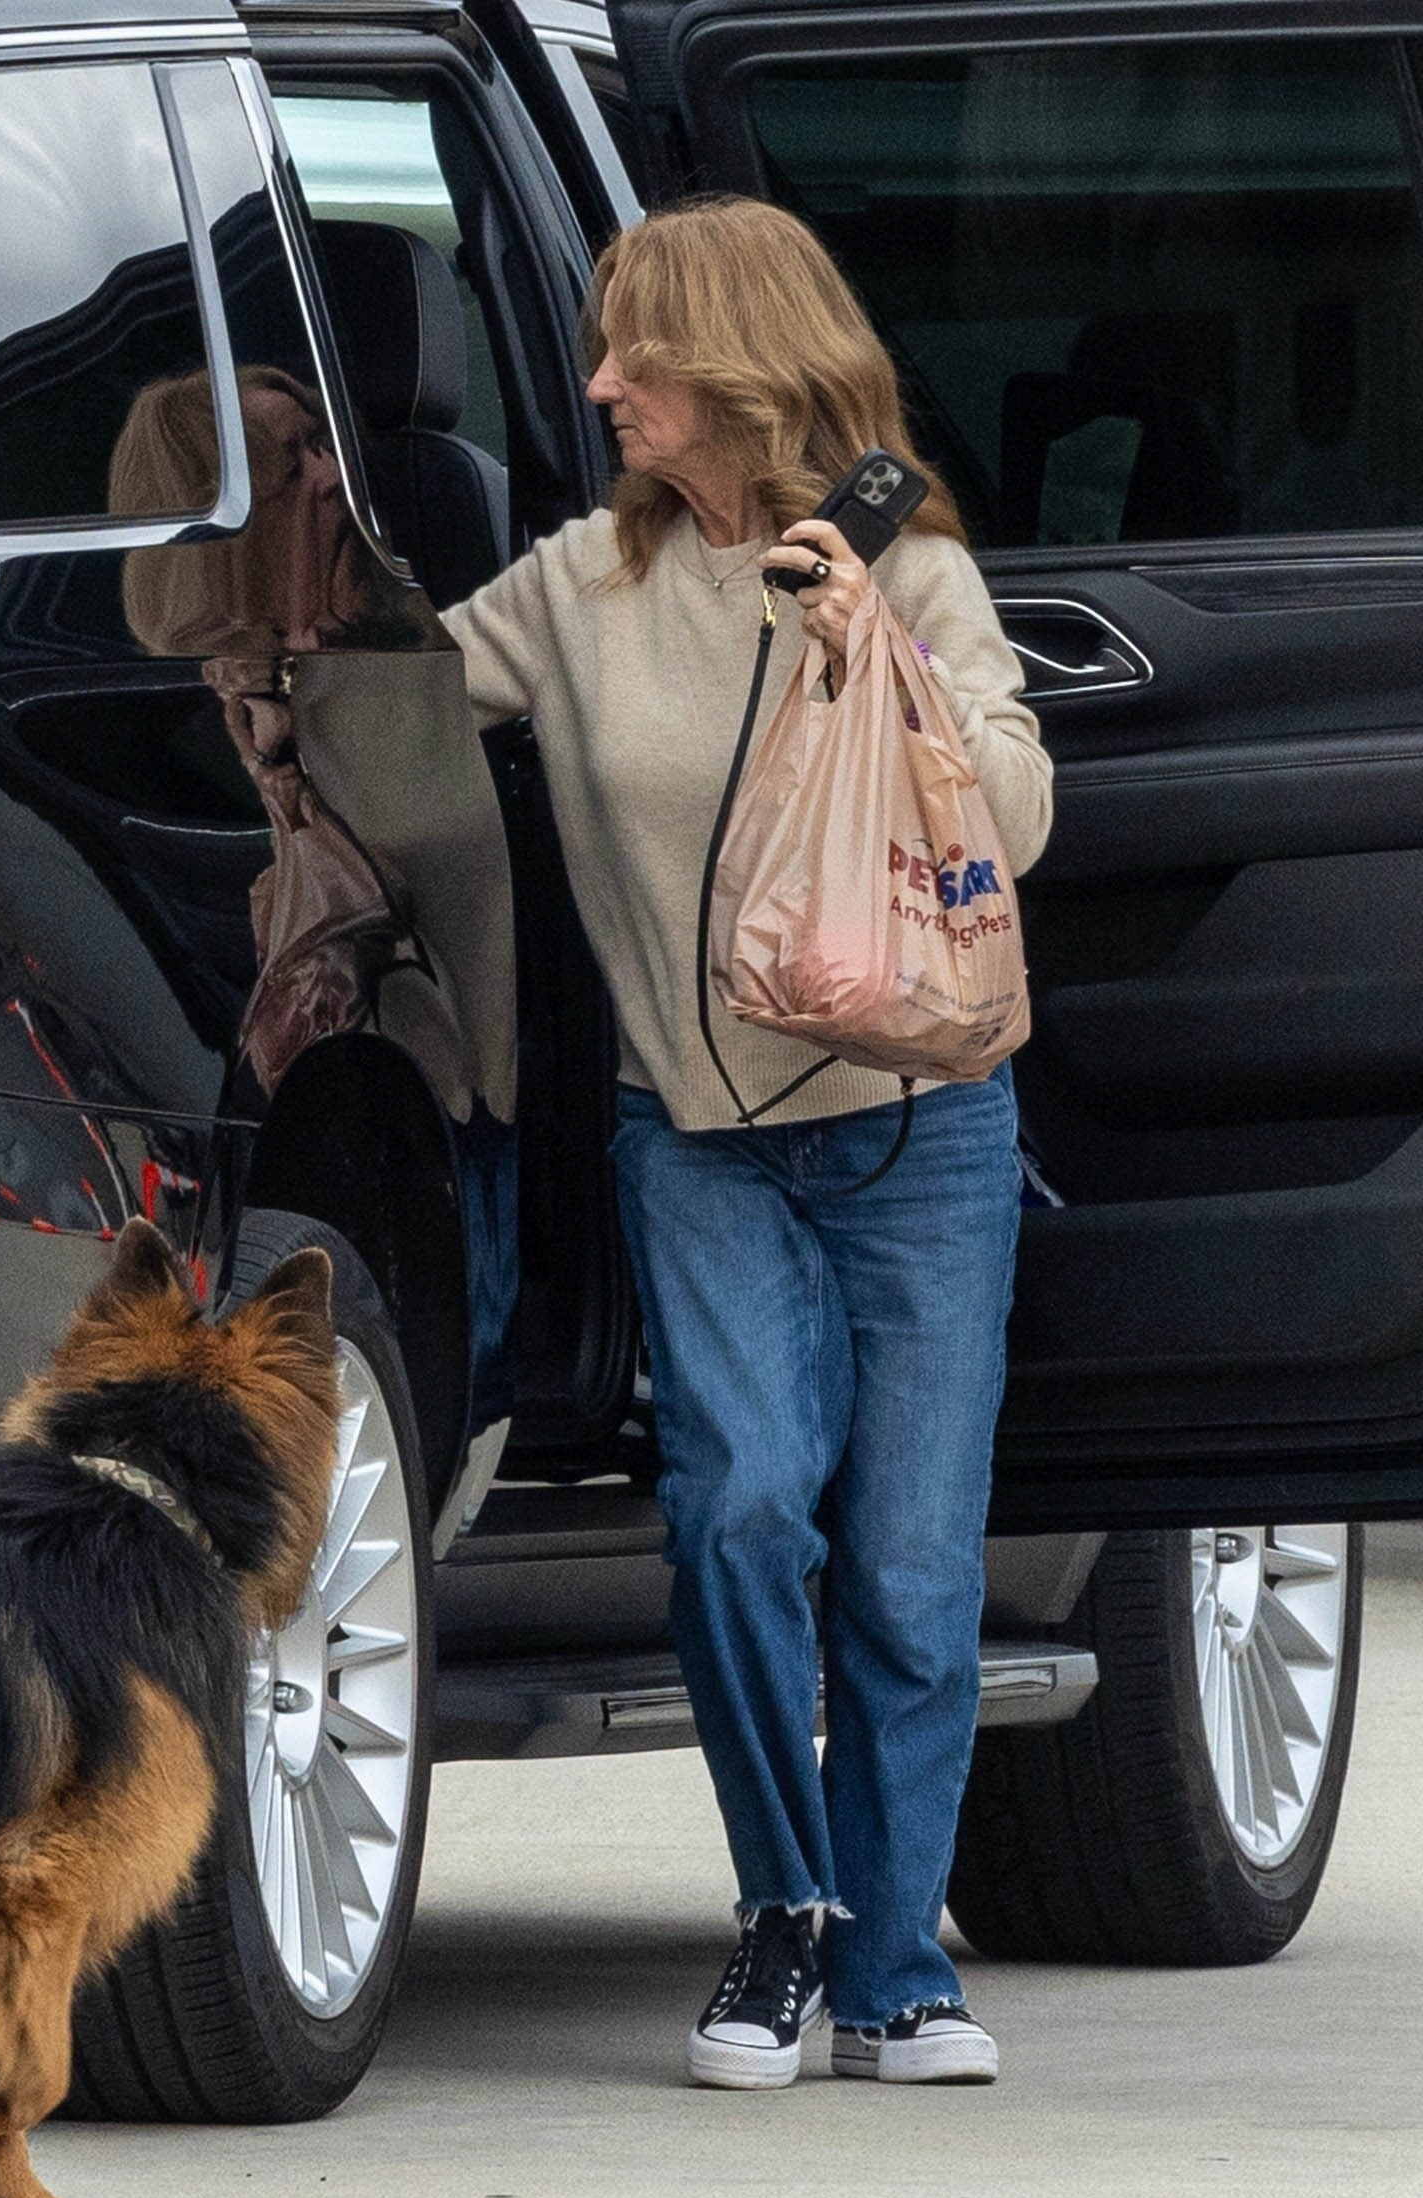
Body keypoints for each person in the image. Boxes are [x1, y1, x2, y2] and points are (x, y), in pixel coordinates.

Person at [441, 196, 1054, 2089]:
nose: (603, 382)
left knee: (915, 1574)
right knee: (738, 1508)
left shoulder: (910, 571)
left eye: (640, 353)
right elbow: (380, 706)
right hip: (696, 1135)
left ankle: (898, 1972)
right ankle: (784, 1913)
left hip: (921, 1131)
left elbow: (1012, 819)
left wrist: (884, 652)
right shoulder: (576, 589)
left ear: (742, 369)